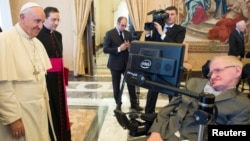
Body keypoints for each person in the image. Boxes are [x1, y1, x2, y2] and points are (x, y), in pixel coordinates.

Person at [147, 55, 250, 141]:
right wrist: (156, 132)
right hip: (165, 133)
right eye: (211, 73)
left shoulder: (243, 105)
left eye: (218, 70)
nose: (213, 77)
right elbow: (168, 109)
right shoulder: (194, 83)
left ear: (237, 71)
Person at [0, 2, 56, 141]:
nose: (40, 26)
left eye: (42, 22)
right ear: (22, 17)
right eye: (37, 21)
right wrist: (13, 118)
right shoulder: (4, 41)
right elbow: (3, 87)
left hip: (39, 110)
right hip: (21, 112)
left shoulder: (36, 42)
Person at [37, 7, 71, 141]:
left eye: (58, 20)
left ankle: (63, 135)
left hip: (58, 79)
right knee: (50, 108)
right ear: (45, 19)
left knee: (61, 107)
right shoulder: (38, 35)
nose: (56, 23)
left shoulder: (58, 35)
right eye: (53, 19)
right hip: (47, 79)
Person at [144, 6, 186, 114]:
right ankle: (148, 114)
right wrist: (148, 33)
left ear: (176, 16)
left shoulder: (180, 30)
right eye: (167, 14)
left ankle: (172, 114)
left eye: (172, 14)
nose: (169, 17)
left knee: (171, 92)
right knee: (152, 91)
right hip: (157, 64)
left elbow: (176, 46)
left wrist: (162, 33)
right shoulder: (158, 27)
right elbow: (151, 45)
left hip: (171, 66)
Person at [103, 16, 143, 111]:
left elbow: (133, 48)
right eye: (122, 25)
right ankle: (118, 104)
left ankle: (134, 104)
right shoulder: (109, 33)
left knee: (131, 83)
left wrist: (130, 47)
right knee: (116, 85)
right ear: (117, 23)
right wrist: (119, 49)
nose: (124, 27)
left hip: (127, 63)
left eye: (125, 26)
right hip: (115, 64)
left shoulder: (128, 34)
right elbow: (105, 49)